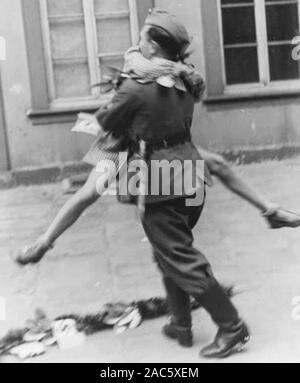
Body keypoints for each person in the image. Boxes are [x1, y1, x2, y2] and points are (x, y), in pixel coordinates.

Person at [12, 42, 300, 265]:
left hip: (156, 142)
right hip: (123, 142)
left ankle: (270, 210)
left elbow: (185, 94)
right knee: (88, 193)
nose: (144, 43)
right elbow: (116, 109)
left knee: (219, 164)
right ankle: (43, 243)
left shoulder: (171, 68)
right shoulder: (138, 60)